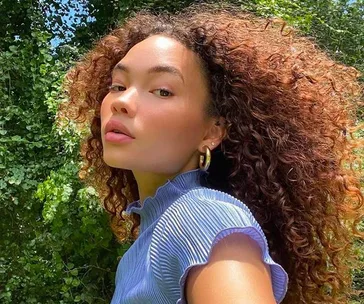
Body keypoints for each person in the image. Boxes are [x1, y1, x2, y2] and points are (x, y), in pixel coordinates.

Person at [60, 2, 363, 303]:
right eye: (117, 85)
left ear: (211, 132)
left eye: (162, 90)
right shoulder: (150, 239)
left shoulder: (200, 216)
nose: (121, 101)